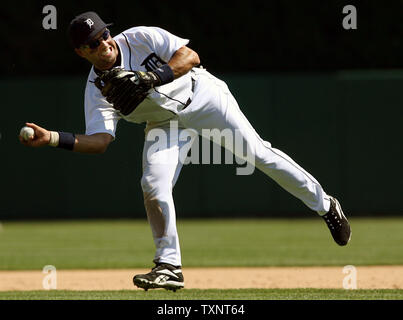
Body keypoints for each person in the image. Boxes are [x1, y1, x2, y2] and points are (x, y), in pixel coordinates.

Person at [19, 11, 351, 291]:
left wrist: (150, 77)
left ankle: (325, 205)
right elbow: (100, 142)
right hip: (165, 126)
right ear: (81, 52)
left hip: (203, 97)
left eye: (105, 34)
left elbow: (190, 57)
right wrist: (51, 137)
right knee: (152, 184)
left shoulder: (138, 38)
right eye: (93, 43)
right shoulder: (96, 91)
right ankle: (169, 266)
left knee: (258, 153)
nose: (104, 43)